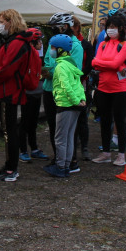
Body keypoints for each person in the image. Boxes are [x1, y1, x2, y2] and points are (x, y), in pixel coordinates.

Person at [0, 9, 36, 182]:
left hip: (8, 92)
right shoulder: (14, 41)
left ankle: (11, 169)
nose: (1, 25)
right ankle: (10, 166)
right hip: (8, 91)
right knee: (9, 130)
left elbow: (6, 69)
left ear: (11, 22)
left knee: (9, 132)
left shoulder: (16, 43)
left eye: (3, 21)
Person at [91, 12, 126, 166]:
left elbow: (114, 64)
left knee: (120, 121)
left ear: (121, 28)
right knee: (105, 121)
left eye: (113, 27)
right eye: (109, 27)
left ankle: (121, 154)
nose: (110, 30)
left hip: (119, 89)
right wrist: (114, 65)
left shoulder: (125, 45)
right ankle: (106, 153)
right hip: (103, 87)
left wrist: (110, 64)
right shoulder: (102, 44)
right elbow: (94, 63)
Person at [41, 12, 82, 167]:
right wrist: (47, 70)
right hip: (49, 89)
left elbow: (73, 69)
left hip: (65, 92)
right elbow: (47, 59)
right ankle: (58, 158)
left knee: (67, 130)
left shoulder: (75, 45)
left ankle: (70, 160)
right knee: (53, 126)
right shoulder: (53, 41)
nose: (52, 30)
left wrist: (51, 72)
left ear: (64, 27)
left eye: (55, 27)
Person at [45, 34, 85, 178]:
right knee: (68, 136)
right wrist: (81, 100)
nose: (51, 50)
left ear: (60, 50)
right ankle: (67, 165)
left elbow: (67, 86)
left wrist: (75, 100)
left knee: (60, 138)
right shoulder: (70, 64)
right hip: (75, 106)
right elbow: (78, 84)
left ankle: (61, 167)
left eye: (53, 48)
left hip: (65, 105)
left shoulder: (60, 67)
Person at [17, 28, 48, 164]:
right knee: (25, 122)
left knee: (33, 123)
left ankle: (34, 148)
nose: (41, 44)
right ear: (33, 41)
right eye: (39, 41)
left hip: (36, 92)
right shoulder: (26, 54)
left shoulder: (36, 54)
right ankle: (23, 150)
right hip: (27, 93)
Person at [72, 17, 94, 161]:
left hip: (82, 83)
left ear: (78, 27)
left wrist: (80, 76)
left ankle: (84, 147)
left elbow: (89, 64)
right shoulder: (64, 42)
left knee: (82, 118)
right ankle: (72, 146)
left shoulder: (86, 44)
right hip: (68, 84)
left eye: (72, 26)